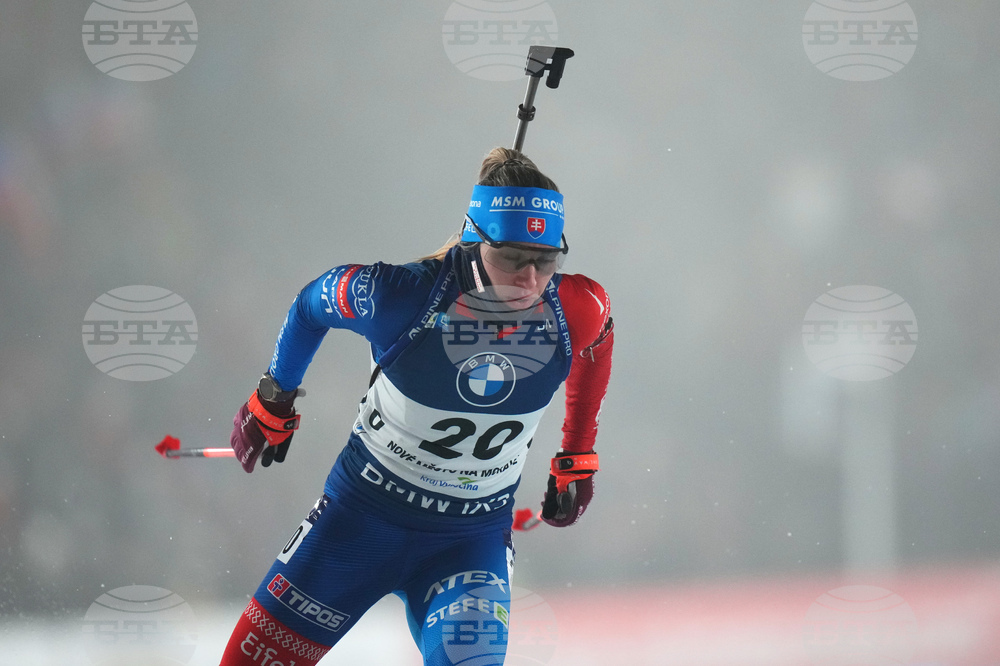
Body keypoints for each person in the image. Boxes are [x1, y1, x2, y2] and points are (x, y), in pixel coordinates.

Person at [219, 147, 614, 666]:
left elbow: (599, 340)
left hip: (469, 541)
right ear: (474, 242)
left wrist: (577, 454)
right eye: (512, 259)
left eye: (546, 261)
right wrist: (274, 394)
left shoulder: (574, 308)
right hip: (358, 523)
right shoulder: (400, 296)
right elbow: (312, 304)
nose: (529, 281)